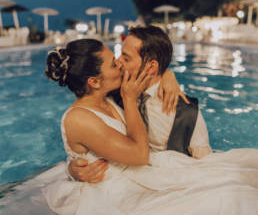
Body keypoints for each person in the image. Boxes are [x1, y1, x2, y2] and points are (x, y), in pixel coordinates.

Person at [42, 37, 258, 215]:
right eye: (113, 63)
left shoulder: (106, 96)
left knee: (234, 177)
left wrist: (167, 75)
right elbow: (139, 155)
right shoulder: (79, 118)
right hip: (116, 191)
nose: (119, 63)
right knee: (225, 199)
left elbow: (150, 70)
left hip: (141, 173)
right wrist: (128, 99)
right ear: (94, 82)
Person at [69, 26, 212, 183]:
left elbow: (205, 167)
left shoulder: (187, 112)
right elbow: (84, 135)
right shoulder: (112, 94)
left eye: (126, 58)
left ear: (151, 66)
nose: (118, 62)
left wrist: (167, 75)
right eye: (119, 55)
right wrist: (72, 167)